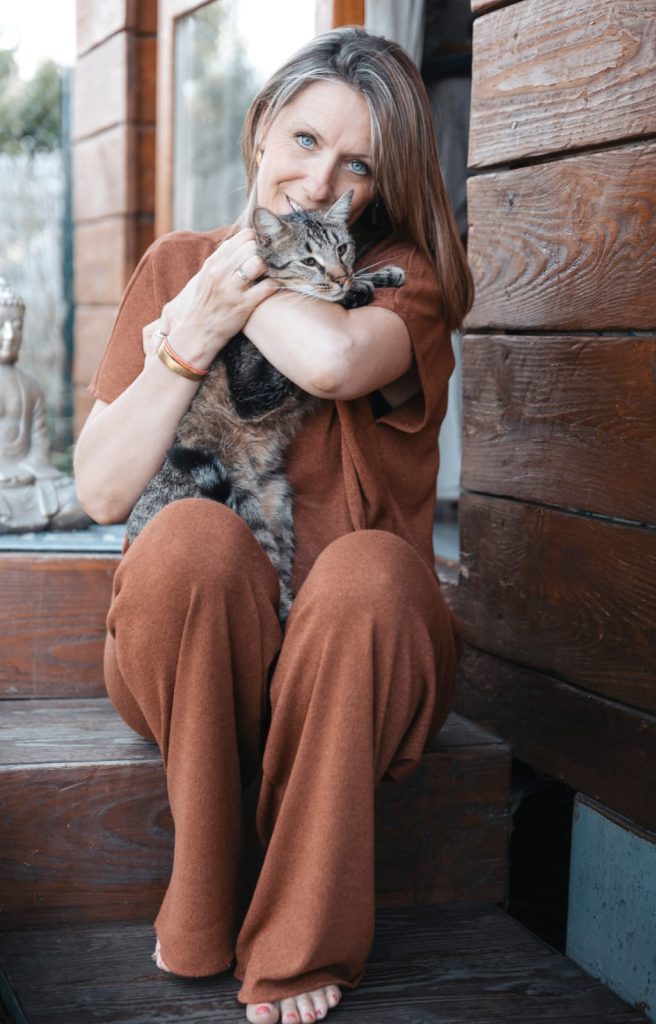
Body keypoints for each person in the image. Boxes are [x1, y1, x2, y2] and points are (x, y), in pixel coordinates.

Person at [73, 26, 473, 1024]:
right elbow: (101, 488)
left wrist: (222, 292)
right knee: (189, 540)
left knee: (373, 574)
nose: (316, 182)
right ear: (259, 131)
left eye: (357, 164)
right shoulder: (174, 264)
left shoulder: (400, 281)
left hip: (356, 663)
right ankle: (203, 894)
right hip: (193, 647)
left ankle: (298, 945)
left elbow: (332, 362)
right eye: (301, 141)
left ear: (382, 185)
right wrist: (184, 326)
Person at [0, 277, 89, 531]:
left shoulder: (30, 386)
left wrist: (26, 470)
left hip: (27, 480)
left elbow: (39, 448)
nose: (9, 335)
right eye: (1, 326)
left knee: (78, 499)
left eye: (15, 327)